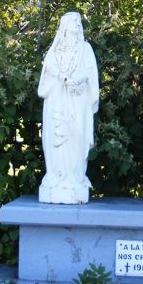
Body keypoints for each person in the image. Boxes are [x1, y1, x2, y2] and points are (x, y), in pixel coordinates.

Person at [38, 12, 99, 204]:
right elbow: (47, 73)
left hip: (78, 100)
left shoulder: (86, 49)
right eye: (73, 21)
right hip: (57, 99)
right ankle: (57, 176)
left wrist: (78, 81)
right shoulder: (54, 51)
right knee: (57, 139)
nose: (77, 24)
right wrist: (63, 79)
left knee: (76, 136)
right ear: (64, 25)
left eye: (79, 22)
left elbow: (91, 74)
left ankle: (75, 176)